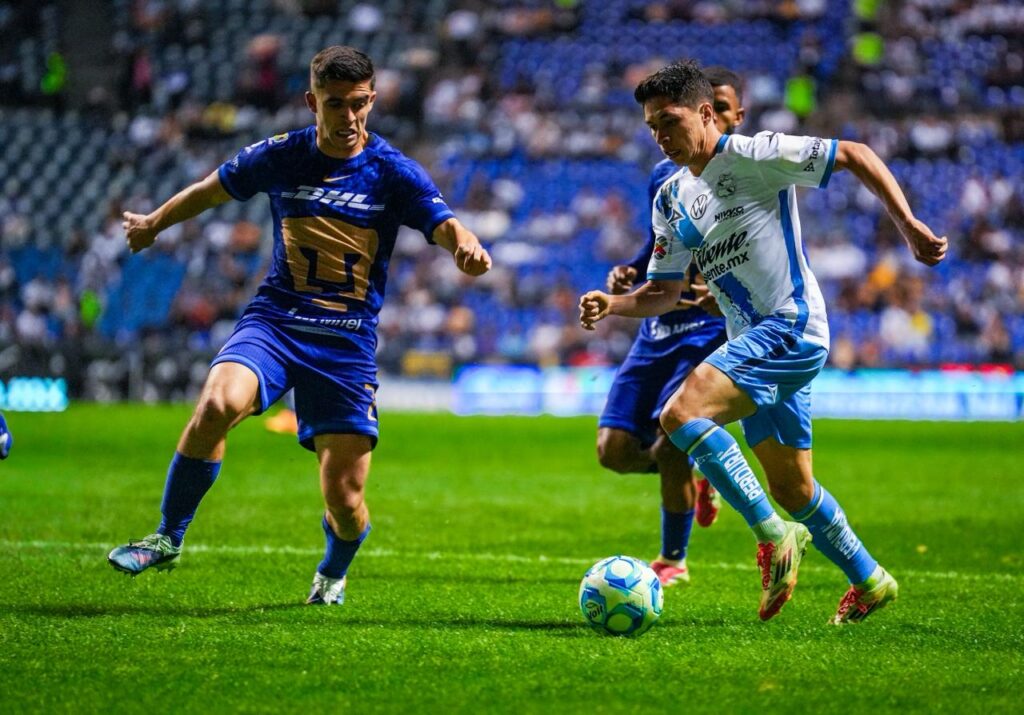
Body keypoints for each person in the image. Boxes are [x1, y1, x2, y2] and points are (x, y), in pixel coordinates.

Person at [108, 46, 492, 607]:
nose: (349, 117)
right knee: (216, 405)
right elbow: (211, 189)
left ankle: (333, 572)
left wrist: (467, 246)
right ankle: (167, 536)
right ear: (313, 101)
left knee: (345, 499)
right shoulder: (282, 156)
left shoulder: (392, 171)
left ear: (373, 100)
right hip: (277, 322)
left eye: (360, 104)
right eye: (336, 104)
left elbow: (444, 222)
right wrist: (153, 224)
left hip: (346, 342)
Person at [580, 60, 946, 623]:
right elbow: (662, 291)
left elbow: (853, 154)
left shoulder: (752, 156)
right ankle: (871, 580)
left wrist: (909, 225)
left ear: (706, 113)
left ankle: (775, 538)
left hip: (791, 326)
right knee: (794, 487)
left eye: (670, 121)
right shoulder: (672, 198)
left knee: (680, 416)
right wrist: (614, 306)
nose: (660, 135)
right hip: (756, 340)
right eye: (652, 125)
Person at [597, 66, 746, 587]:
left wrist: (727, 298)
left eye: (727, 110)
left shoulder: (747, 173)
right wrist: (632, 271)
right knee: (613, 453)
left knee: (670, 439)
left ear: (730, 115)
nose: (721, 118)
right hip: (659, 328)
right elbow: (660, 244)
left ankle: (672, 559)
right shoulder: (664, 176)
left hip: (707, 331)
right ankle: (699, 469)